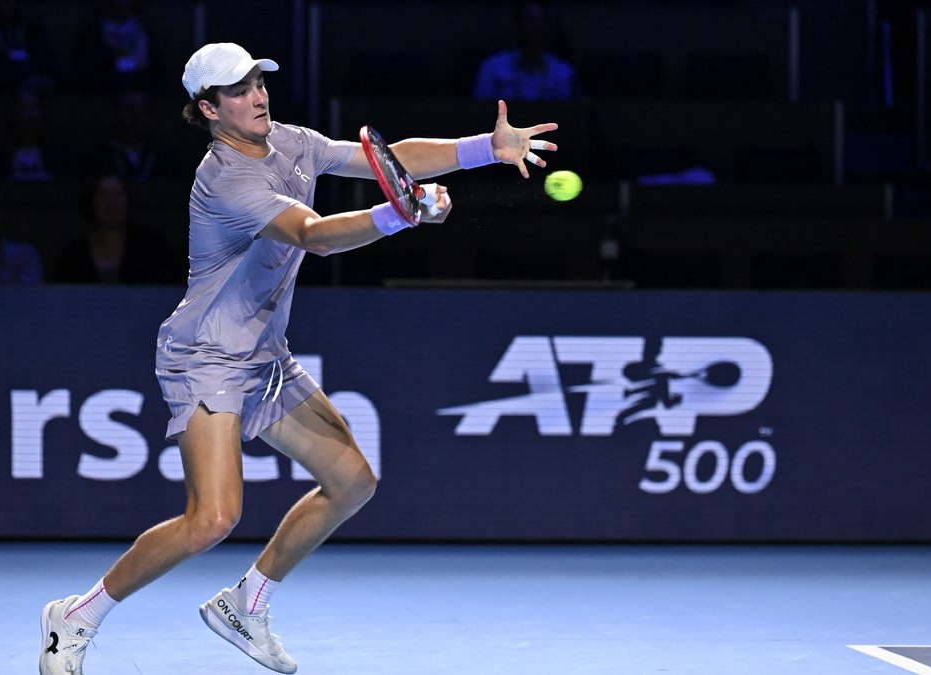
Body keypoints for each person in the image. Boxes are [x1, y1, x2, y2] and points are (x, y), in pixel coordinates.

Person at [38, 41, 557, 675]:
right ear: (208, 109)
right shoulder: (225, 178)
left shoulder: (288, 139)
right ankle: (76, 615)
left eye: (259, 82)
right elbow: (312, 235)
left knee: (353, 482)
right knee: (212, 519)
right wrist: (399, 216)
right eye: (238, 90)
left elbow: (383, 161)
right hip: (206, 358)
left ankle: (246, 604)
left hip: (263, 354)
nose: (257, 95)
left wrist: (484, 149)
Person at [52, 171, 183, 284]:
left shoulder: (152, 247)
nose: (112, 204)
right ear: (91, 202)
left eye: (118, 195)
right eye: (104, 196)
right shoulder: (74, 253)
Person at [473, 0, 577, 101]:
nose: (535, 27)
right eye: (529, 20)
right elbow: (480, 113)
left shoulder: (564, 72)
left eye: (540, 20)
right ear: (517, 25)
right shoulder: (492, 68)